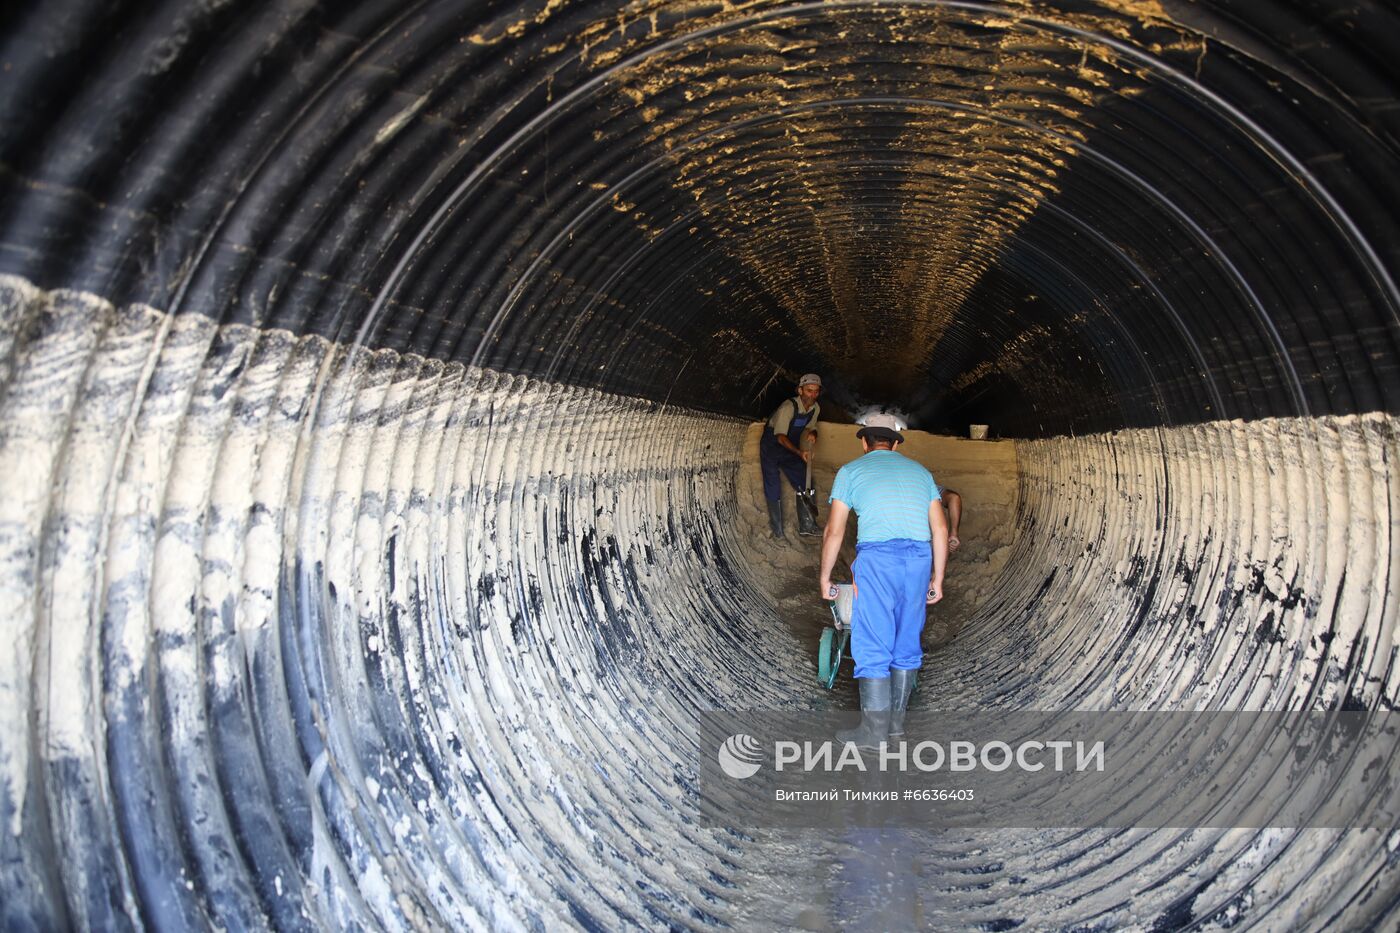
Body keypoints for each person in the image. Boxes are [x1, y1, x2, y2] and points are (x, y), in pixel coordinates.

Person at [818, 413, 949, 747]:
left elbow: (835, 531)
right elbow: (941, 529)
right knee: (907, 641)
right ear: (894, 443)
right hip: (918, 561)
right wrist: (938, 577)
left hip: (878, 560)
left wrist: (824, 576)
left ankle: (873, 734)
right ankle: (895, 728)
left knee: (873, 640)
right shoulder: (921, 473)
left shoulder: (850, 472)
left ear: (865, 442)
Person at [759, 373, 822, 539]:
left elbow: (812, 426)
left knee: (805, 481)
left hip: (790, 445)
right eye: (809, 391)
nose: (812, 395)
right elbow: (780, 436)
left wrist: (813, 433)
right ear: (800, 390)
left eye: (816, 391)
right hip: (772, 445)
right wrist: (800, 453)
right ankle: (777, 529)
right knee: (773, 485)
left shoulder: (815, 408)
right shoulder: (788, 407)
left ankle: (807, 525)